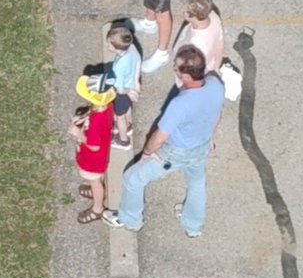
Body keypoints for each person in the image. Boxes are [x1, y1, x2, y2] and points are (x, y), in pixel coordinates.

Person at [103, 45, 225, 237]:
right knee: (196, 182)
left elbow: (159, 136)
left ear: (184, 74)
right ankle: (193, 226)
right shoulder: (216, 84)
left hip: (175, 153)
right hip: (201, 147)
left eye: (175, 66)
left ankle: (130, 220)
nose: (173, 67)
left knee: (132, 179)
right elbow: (218, 113)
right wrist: (209, 136)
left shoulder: (180, 103)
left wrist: (147, 153)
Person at [70, 76, 116, 224]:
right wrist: (84, 119)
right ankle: (96, 192)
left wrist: (79, 134)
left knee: (95, 180)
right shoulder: (106, 106)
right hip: (101, 158)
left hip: (92, 160)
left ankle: (97, 208)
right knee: (98, 178)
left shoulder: (97, 121)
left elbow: (94, 145)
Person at [172, 0, 225, 77]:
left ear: (194, 16)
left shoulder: (196, 42)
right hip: (211, 63)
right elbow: (220, 44)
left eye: (185, 11)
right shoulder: (213, 15)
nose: (183, 12)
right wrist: (216, 67)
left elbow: (191, 69)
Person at [107, 24, 141, 150]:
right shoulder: (132, 47)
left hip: (122, 93)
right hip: (131, 85)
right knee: (128, 108)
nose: (107, 46)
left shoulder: (119, 66)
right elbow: (138, 61)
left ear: (117, 48)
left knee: (119, 116)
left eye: (109, 44)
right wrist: (136, 83)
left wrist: (129, 91)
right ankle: (129, 126)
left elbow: (119, 88)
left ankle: (123, 140)